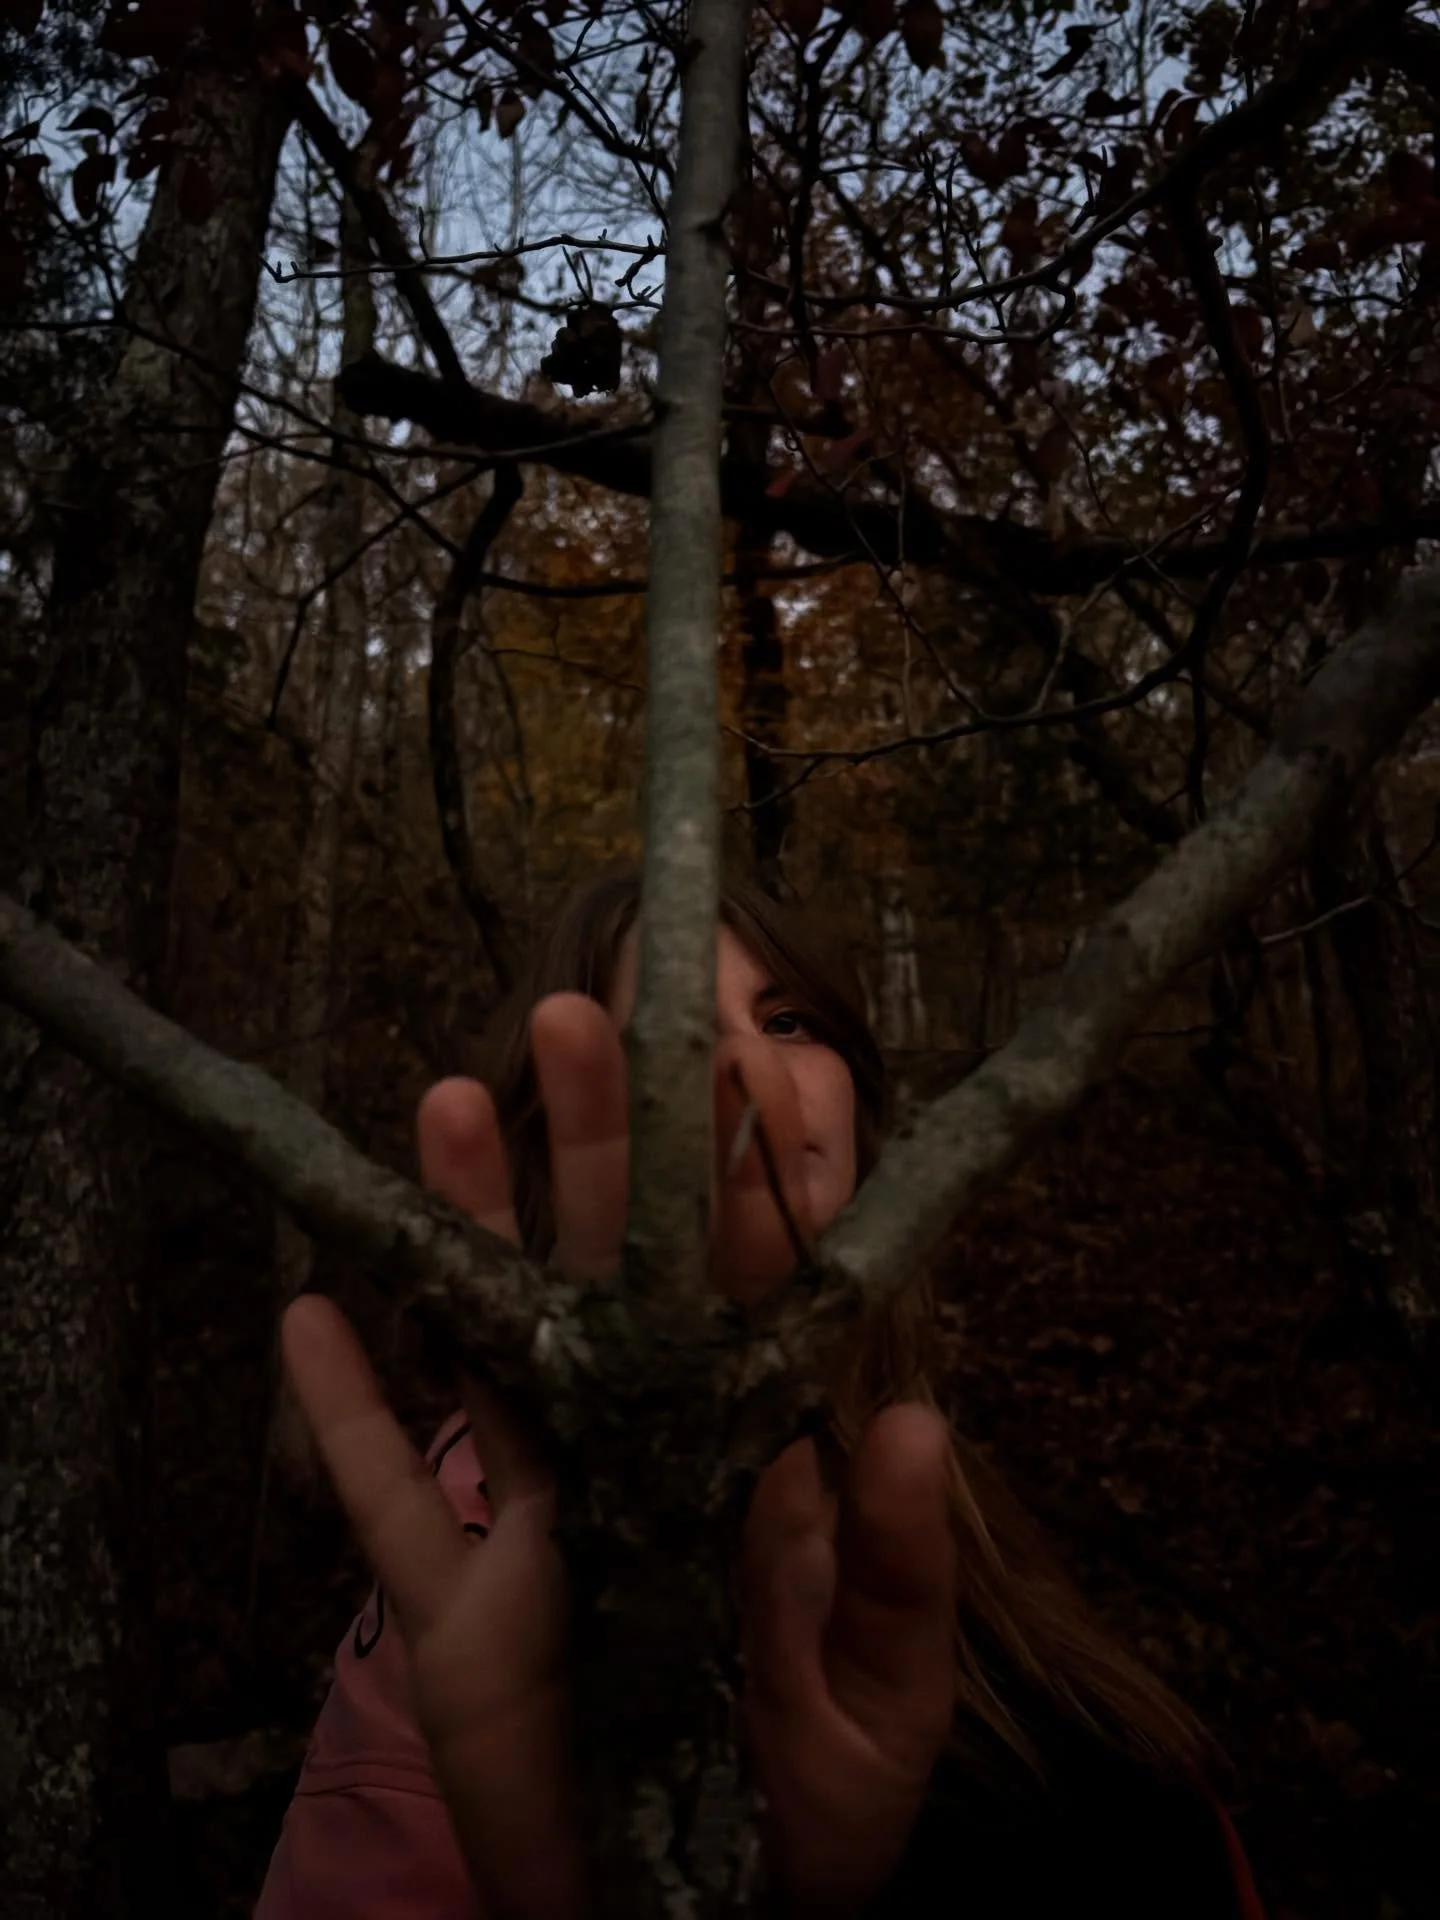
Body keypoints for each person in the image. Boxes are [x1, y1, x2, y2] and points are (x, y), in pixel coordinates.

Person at [256, 871, 1266, 1919]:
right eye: (670, 1037)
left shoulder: (910, 1458)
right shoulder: (506, 1532)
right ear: (573, 1139)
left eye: (787, 1020)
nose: (743, 1061)